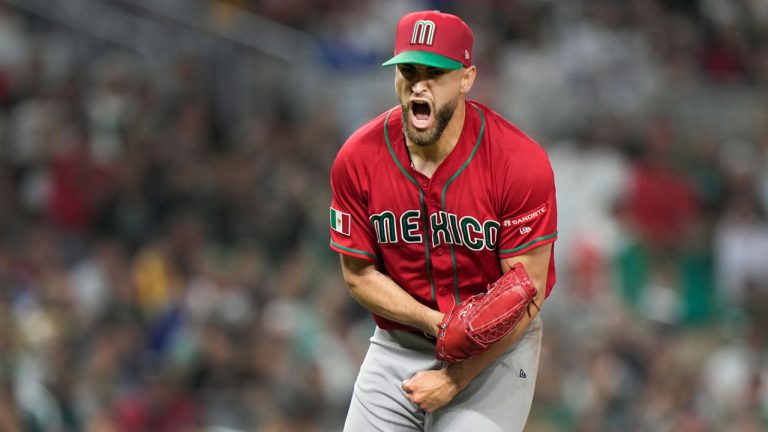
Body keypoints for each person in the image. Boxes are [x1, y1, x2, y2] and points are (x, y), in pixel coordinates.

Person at [329, 10, 558, 432]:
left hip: (496, 353)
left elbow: (529, 290)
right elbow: (358, 276)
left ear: (466, 78)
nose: (419, 84)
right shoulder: (358, 159)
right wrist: (436, 323)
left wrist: (455, 378)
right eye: (408, 70)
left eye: (435, 72)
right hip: (399, 344)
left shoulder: (519, 163)